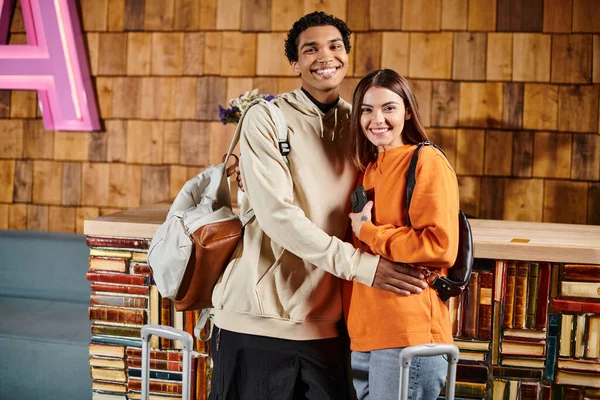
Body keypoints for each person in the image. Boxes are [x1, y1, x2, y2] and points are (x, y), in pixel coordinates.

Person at [209, 12, 427, 400]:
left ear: (347, 55)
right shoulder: (266, 118)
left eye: (335, 46)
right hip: (259, 320)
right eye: (311, 49)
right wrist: (364, 267)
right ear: (295, 64)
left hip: (332, 324)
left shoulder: (363, 123)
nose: (325, 56)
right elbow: (278, 217)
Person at [343, 69, 460, 400]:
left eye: (388, 108)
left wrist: (370, 232)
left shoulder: (427, 161)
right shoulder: (368, 169)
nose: (376, 118)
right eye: (366, 109)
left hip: (409, 335)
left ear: (407, 111)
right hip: (366, 335)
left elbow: (440, 245)